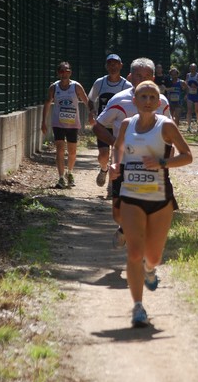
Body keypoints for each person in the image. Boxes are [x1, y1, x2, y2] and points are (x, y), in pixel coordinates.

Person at [110, 81, 192, 327]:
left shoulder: (166, 126)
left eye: (152, 96)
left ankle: (151, 269)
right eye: (142, 96)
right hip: (131, 195)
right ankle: (138, 307)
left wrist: (162, 163)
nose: (147, 100)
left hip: (159, 199)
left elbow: (187, 156)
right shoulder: (127, 125)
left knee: (153, 257)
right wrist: (115, 165)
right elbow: (118, 148)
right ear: (134, 100)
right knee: (135, 252)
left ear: (159, 102)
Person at [92, 57, 171, 248]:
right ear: (130, 76)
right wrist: (116, 144)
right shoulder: (119, 100)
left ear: (153, 78)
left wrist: (165, 159)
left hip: (150, 165)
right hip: (123, 164)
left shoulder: (161, 102)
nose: (142, 79)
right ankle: (124, 228)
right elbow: (98, 126)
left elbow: (170, 133)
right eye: (138, 75)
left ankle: (142, 255)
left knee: (148, 207)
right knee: (118, 212)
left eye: (146, 76)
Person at [42, 61, 90, 188]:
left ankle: (70, 173)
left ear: (70, 73)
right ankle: (61, 177)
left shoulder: (76, 86)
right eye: (62, 71)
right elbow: (47, 103)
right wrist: (43, 122)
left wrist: (92, 114)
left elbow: (86, 100)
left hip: (73, 124)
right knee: (60, 149)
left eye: (67, 71)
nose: (64, 74)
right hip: (58, 123)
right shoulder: (54, 87)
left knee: (72, 151)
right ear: (58, 73)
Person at [88, 54, 132, 188]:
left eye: (116, 64)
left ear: (121, 65)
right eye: (110, 64)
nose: (113, 67)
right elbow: (91, 99)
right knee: (103, 155)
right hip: (104, 124)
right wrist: (92, 111)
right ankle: (104, 169)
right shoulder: (99, 83)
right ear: (106, 66)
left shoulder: (127, 85)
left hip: (120, 125)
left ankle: (113, 184)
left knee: (118, 154)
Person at [186, 62, 198, 132]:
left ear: (196, 69)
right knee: (189, 110)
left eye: (194, 68)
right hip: (190, 95)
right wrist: (188, 88)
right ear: (190, 69)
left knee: (197, 111)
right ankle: (188, 126)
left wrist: (197, 86)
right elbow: (186, 84)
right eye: (191, 68)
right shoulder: (188, 75)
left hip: (197, 95)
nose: (192, 70)